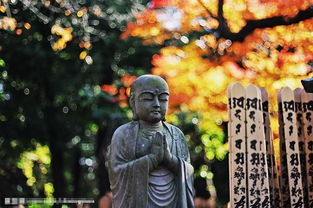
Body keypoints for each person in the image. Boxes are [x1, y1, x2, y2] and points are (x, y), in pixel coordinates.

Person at [107, 75, 195, 208]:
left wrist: (170, 160)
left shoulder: (176, 134)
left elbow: (188, 170)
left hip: (173, 201)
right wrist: (151, 160)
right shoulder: (123, 134)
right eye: (148, 98)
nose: (156, 104)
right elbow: (116, 172)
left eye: (163, 99)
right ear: (133, 102)